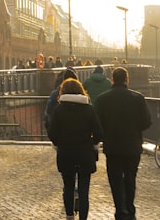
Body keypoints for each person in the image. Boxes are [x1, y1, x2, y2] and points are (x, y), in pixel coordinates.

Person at [95, 67, 151, 220]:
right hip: (132, 145)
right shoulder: (138, 98)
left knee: (115, 179)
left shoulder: (102, 99)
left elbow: (97, 123)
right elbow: (146, 122)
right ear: (127, 79)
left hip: (112, 146)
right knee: (130, 178)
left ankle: (120, 210)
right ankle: (130, 209)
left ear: (112, 79)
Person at [48, 78, 103, 220]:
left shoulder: (59, 110)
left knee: (68, 187)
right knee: (84, 189)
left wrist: (59, 143)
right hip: (85, 153)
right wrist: (93, 144)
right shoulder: (89, 109)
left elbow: (52, 133)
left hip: (66, 153)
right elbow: (98, 132)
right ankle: (83, 217)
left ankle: (69, 216)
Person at [44, 67, 78, 133]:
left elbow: (49, 110)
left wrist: (51, 128)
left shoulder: (55, 94)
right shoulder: (83, 96)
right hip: (78, 134)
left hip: (59, 131)